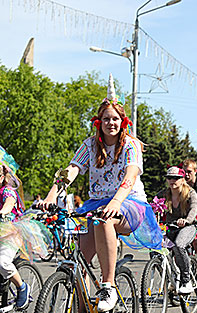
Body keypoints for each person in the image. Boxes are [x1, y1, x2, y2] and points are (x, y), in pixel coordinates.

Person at [40, 74, 162, 312]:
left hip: (128, 204)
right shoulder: (90, 145)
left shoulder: (131, 145)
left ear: (123, 121)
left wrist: (116, 201)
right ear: (99, 122)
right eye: (106, 119)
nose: (111, 123)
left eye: (115, 118)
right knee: (79, 265)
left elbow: (131, 175)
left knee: (104, 220)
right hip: (96, 204)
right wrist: (53, 193)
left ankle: (109, 285)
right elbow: (72, 169)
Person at [0, 148, 50, 310]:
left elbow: (9, 203)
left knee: (2, 262)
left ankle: (22, 287)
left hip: (10, 231)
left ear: (4, 176)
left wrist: (3, 211)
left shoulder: (7, 191)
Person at [157, 166, 197, 293]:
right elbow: (152, 206)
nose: (172, 180)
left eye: (176, 178)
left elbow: (193, 209)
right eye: (169, 178)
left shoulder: (190, 192)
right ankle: (171, 278)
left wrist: (187, 220)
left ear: (182, 179)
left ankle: (187, 281)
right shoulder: (164, 194)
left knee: (179, 245)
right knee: (155, 250)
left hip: (188, 226)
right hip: (170, 227)